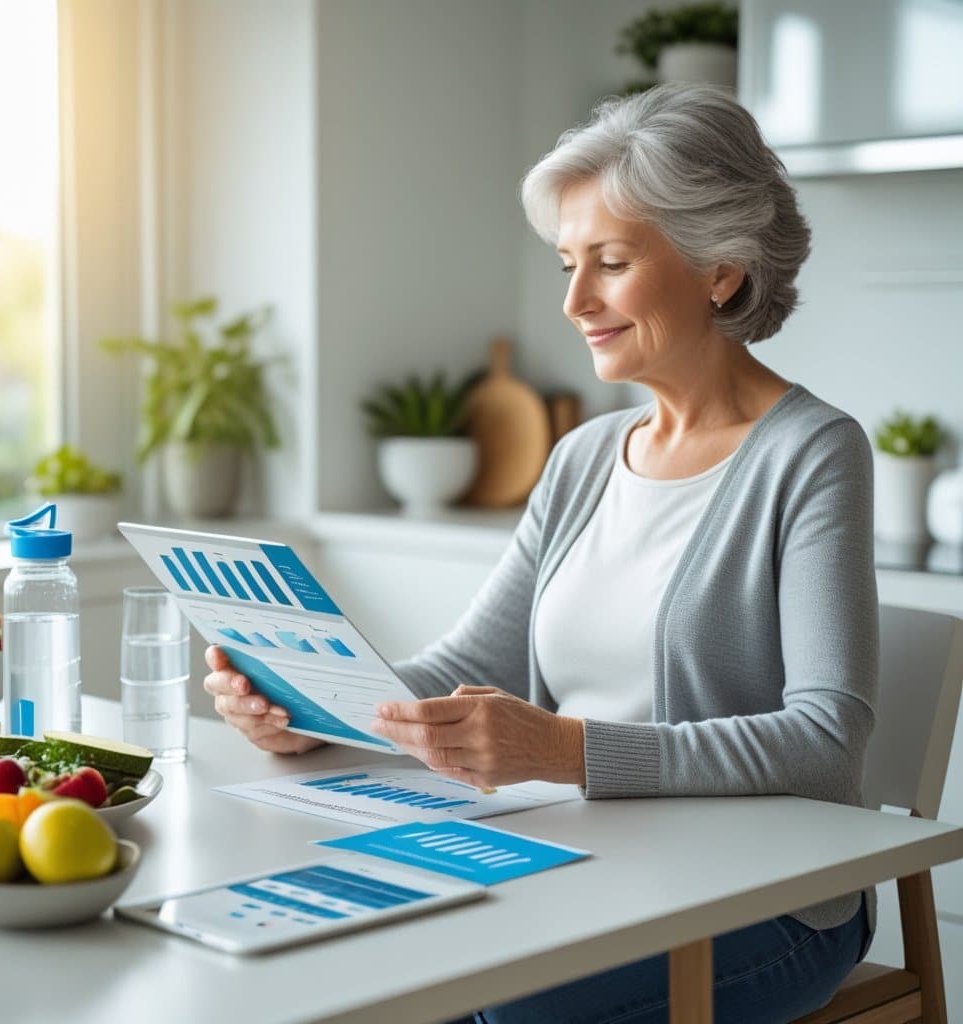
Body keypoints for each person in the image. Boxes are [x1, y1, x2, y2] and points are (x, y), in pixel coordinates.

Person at [204, 83, 878, 1023]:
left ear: (720, 269)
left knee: (493, 1011)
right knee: (351, 968)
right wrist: (313, 706)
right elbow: (469, 663)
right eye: (567, 262)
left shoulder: (813, 452)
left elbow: (826, 741)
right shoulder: (586, 455)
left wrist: (567, 749)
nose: (574, 300)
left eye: (609, 262)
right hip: (585, 860)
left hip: (764, 906)